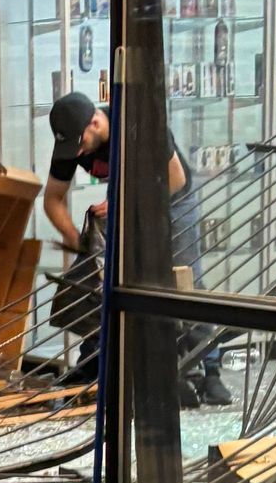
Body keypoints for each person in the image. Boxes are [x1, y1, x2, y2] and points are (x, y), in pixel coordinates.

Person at [43, 91, 229, 406]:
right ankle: (92, 364)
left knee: (186, 282)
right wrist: (77, 239)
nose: (77, 153)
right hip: (128, 203)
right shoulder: (72, 143)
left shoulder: (140, 124)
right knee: (102, 282)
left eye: (81, 143)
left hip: (173, 200)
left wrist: (119, 204)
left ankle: (209, 371)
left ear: (96, 122)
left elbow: (175, 180)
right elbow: (52, 199)